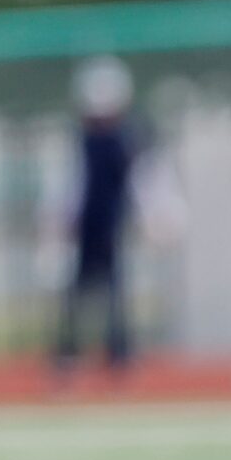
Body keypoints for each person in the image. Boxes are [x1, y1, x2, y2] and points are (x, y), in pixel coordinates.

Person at [51, 57, 139, 378]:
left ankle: (118, 355)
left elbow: (138, 183)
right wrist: (61, 219)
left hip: (111, 226)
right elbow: (69, 185)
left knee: (114, 294)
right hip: (85, 228)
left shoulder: (126, 141)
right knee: (77, 294)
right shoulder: (80, 141)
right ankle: (67, 355)